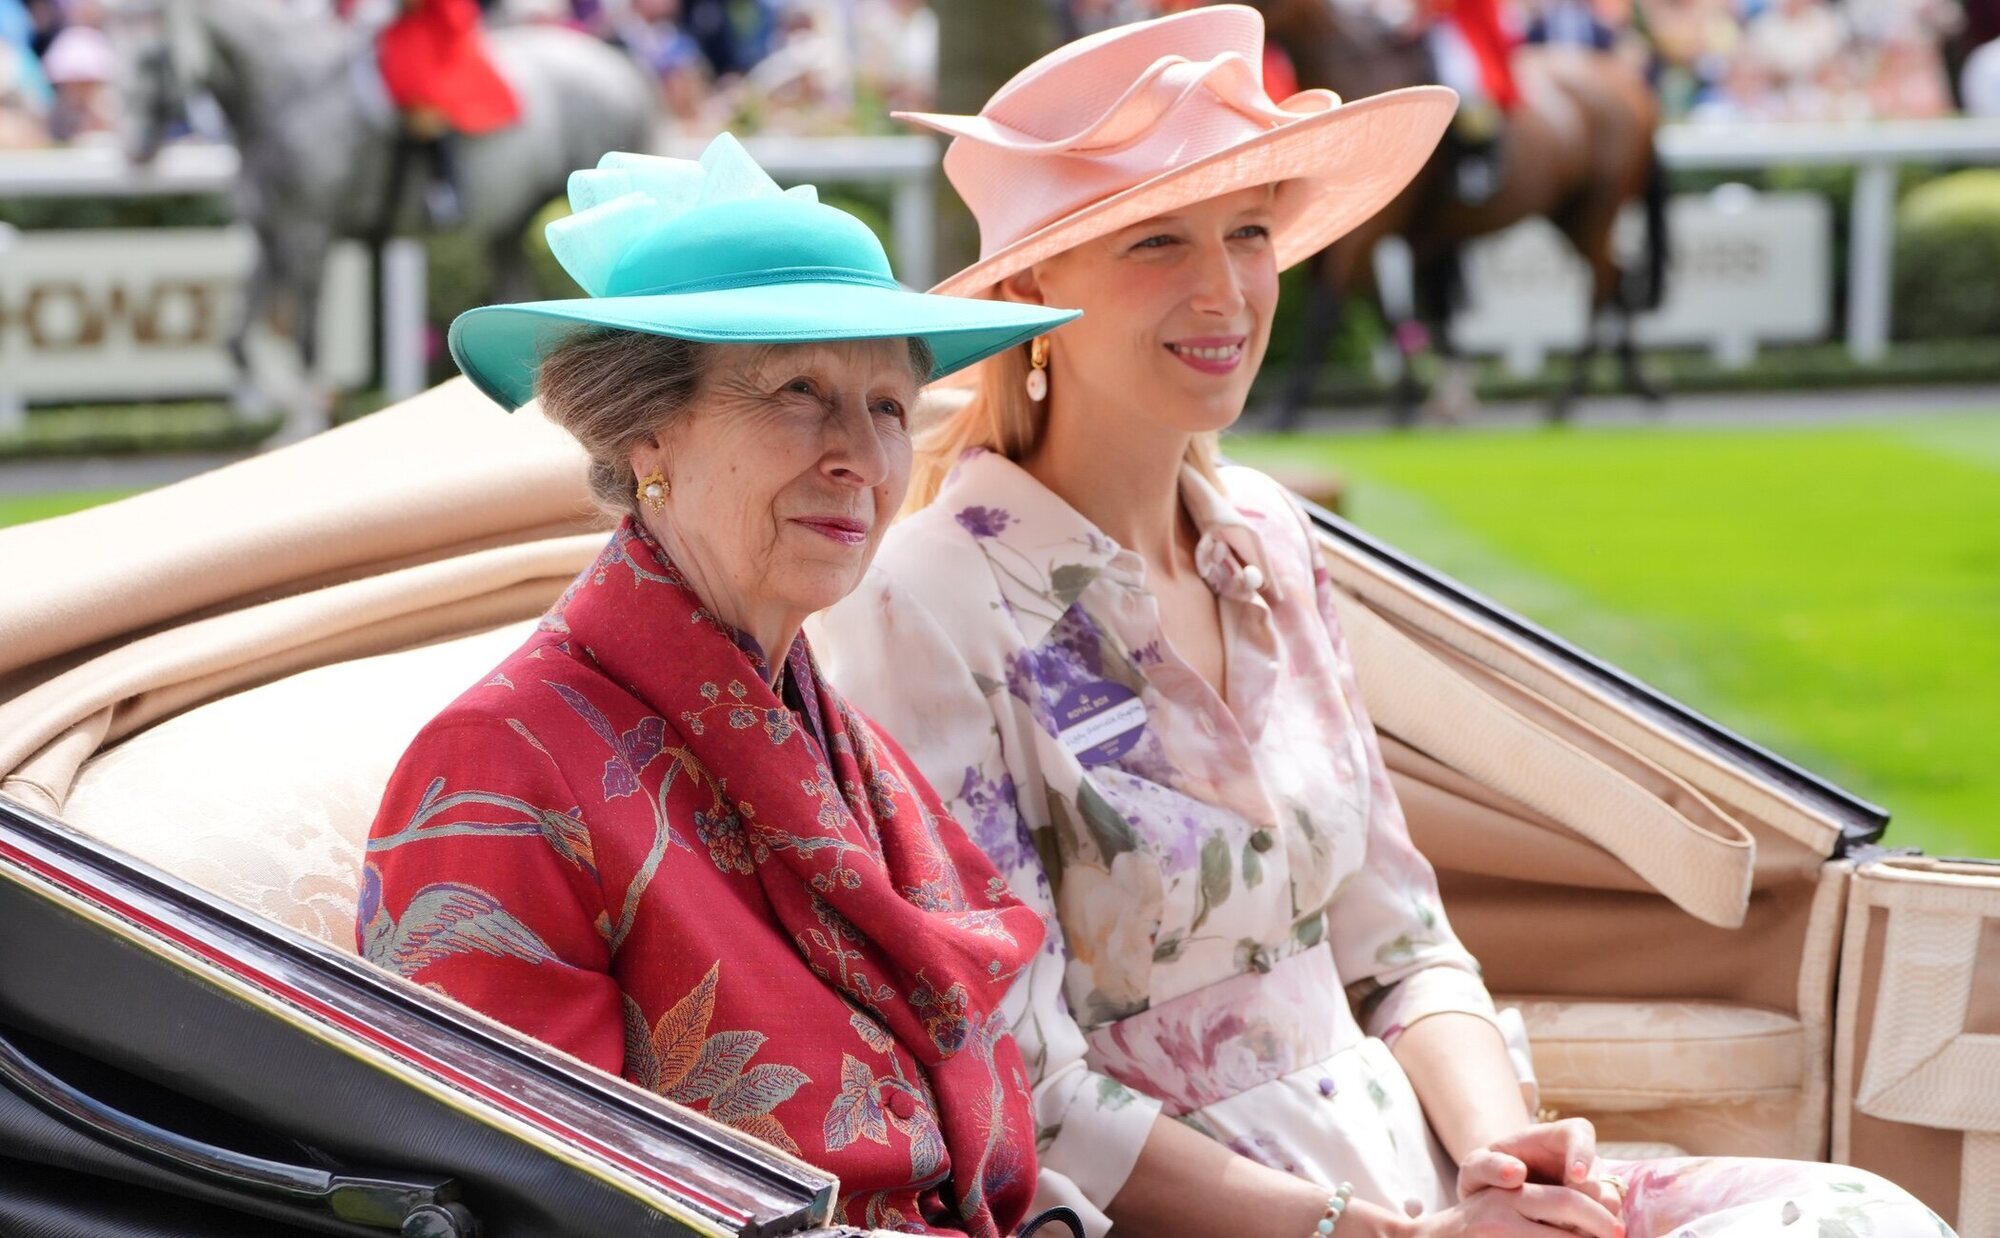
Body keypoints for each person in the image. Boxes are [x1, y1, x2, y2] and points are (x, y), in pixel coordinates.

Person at [809, 8, 1959, 1237]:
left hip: (1419, 1168)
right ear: (1034, 283)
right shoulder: (922, 601)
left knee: (1857, 1213)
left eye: (1247, 232)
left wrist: (1503, 1151)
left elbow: (1403, 944)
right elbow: (1021, 1084)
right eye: (1155, 242)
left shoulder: (1267, 536)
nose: (1224, 289)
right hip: (1219, 1213)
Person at [359, 135, 1081, 1236]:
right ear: (646, 429)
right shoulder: (500, 760)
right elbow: (530, 1201)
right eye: (799, 392)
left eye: (888, 407)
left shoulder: (836, 732)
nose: (859, 456)